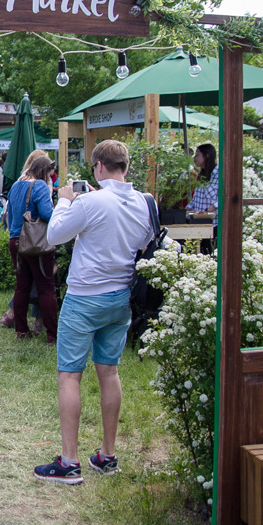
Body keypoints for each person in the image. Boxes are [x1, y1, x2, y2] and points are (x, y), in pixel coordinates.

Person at [34, 140, 156, 485]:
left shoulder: (90, 201)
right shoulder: (145, 202)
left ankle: (69, 461)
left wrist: (63, 199)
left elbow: (55, 235)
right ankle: (107, 454)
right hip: (121, 297)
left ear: (98, 167)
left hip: (86, 296)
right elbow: (145, 242)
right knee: (109, 372)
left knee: (70, 375)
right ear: (126, 167)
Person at [6, 155, 59, 343]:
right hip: (35, 242)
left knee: (22, 287)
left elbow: (11, 214)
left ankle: (21, 329)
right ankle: (52, 334)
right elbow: (47, 214)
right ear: (45, 171)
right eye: (51, 175)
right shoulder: (40, 186)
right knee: (46, 288)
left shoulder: (16, 185)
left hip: (16, 240)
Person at [186, 143, 218, 214]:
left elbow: (222, 198)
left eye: (197, 155)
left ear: (207, 155)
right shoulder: (202, 175)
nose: (194, 158)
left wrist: (206, 211)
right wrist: (185, 210)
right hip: (199, 220)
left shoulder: (218, 173)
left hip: (213, 222)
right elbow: (196, 199)